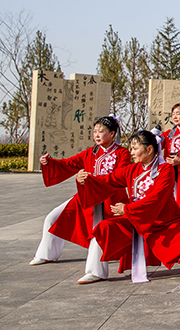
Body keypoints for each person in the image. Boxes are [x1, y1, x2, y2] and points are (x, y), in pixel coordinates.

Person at [75, 129, 180, 284]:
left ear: (150, 149)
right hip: (135, 220)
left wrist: (126, 209)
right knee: (102, 229)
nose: (131, 152)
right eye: (131, 148)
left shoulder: (165, 170)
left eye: (135, 148)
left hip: (164, 223)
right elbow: (108, 180)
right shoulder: (131, 170)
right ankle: (95, 272)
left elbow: (156, 198)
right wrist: (87, 179)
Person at [30, 115, 130, 279]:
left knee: (98, 233)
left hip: (109, 200)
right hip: (87, 196)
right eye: (95, 131)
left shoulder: (122, 153)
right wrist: (49, 163)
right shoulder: (90, 152)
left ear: (112, 133)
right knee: (53, 218)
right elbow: (68, 164)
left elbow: (121, 175)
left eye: (102, 131)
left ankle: (95, 271)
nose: (97, 135)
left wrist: (93, 179)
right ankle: (47, 254)